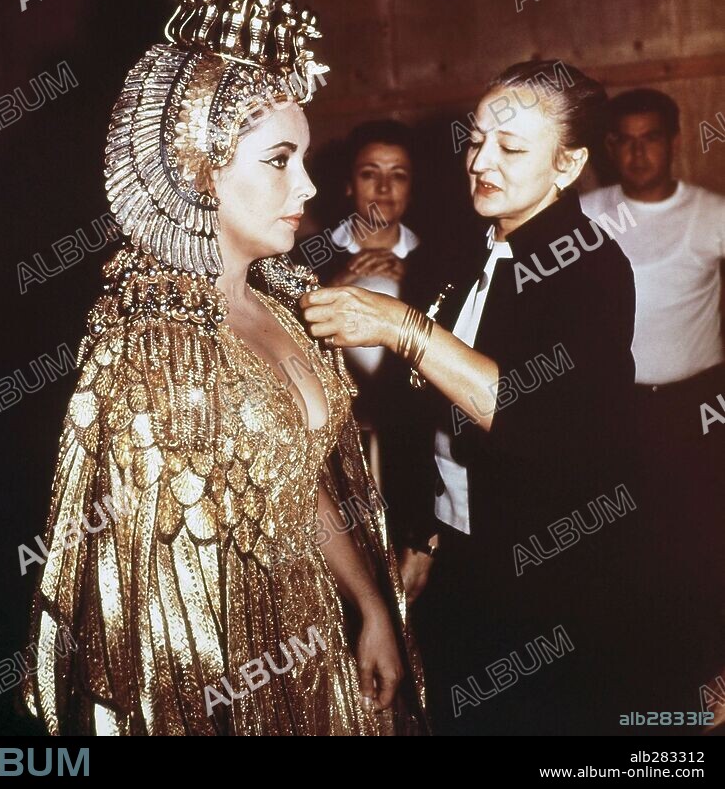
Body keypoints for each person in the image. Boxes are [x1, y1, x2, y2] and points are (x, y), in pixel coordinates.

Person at [20, 0, 427, 737]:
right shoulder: (143, 355)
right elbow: (138, 628)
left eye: (304, 159)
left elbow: (302, 486)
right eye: (278, 162)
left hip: (322, 661)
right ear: (198, 174)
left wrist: (372, 609)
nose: (308, 189)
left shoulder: (290, 307)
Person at [302, 62, 651, 735]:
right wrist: (422, 531)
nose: (480, 160)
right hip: (464, 554)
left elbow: (535, 418)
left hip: (552, 569)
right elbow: (424, 416)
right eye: (476, 139)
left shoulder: (591, 265)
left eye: (511, 148)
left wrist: (404, 328)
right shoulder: (459, 254)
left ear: (568, 162)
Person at [581, 88, 725, 698]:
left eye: (651, 138)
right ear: (610, 147)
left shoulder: (713, 213)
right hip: (618, 409)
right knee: (626, 551)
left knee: (703, 543)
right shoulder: (585, 213)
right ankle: (644, 689)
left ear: (672, 141)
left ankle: (711, 684)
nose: (639, 153)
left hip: (700, 407)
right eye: (626, 140)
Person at [303, 121, 435, 555]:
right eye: (369, 173)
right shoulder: (306, 257)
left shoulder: (439, 261)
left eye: (398, 174)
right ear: (347, 184)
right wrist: (331, 288)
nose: (382, 188)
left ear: (413, 187)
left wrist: (413, 292)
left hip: (415, 464)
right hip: (329, 459)